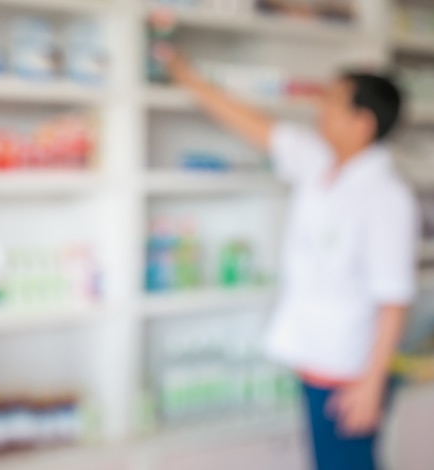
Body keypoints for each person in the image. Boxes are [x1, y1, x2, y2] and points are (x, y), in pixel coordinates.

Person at [155, 47, 419, 470]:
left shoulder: (386, 197)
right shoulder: (319, 162)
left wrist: (371, 384)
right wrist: (187, 76)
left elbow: (394, 296)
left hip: (350, 368)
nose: (321, 110)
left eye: (333, 102)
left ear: (362, 123)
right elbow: (254, 125)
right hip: (314, 356)